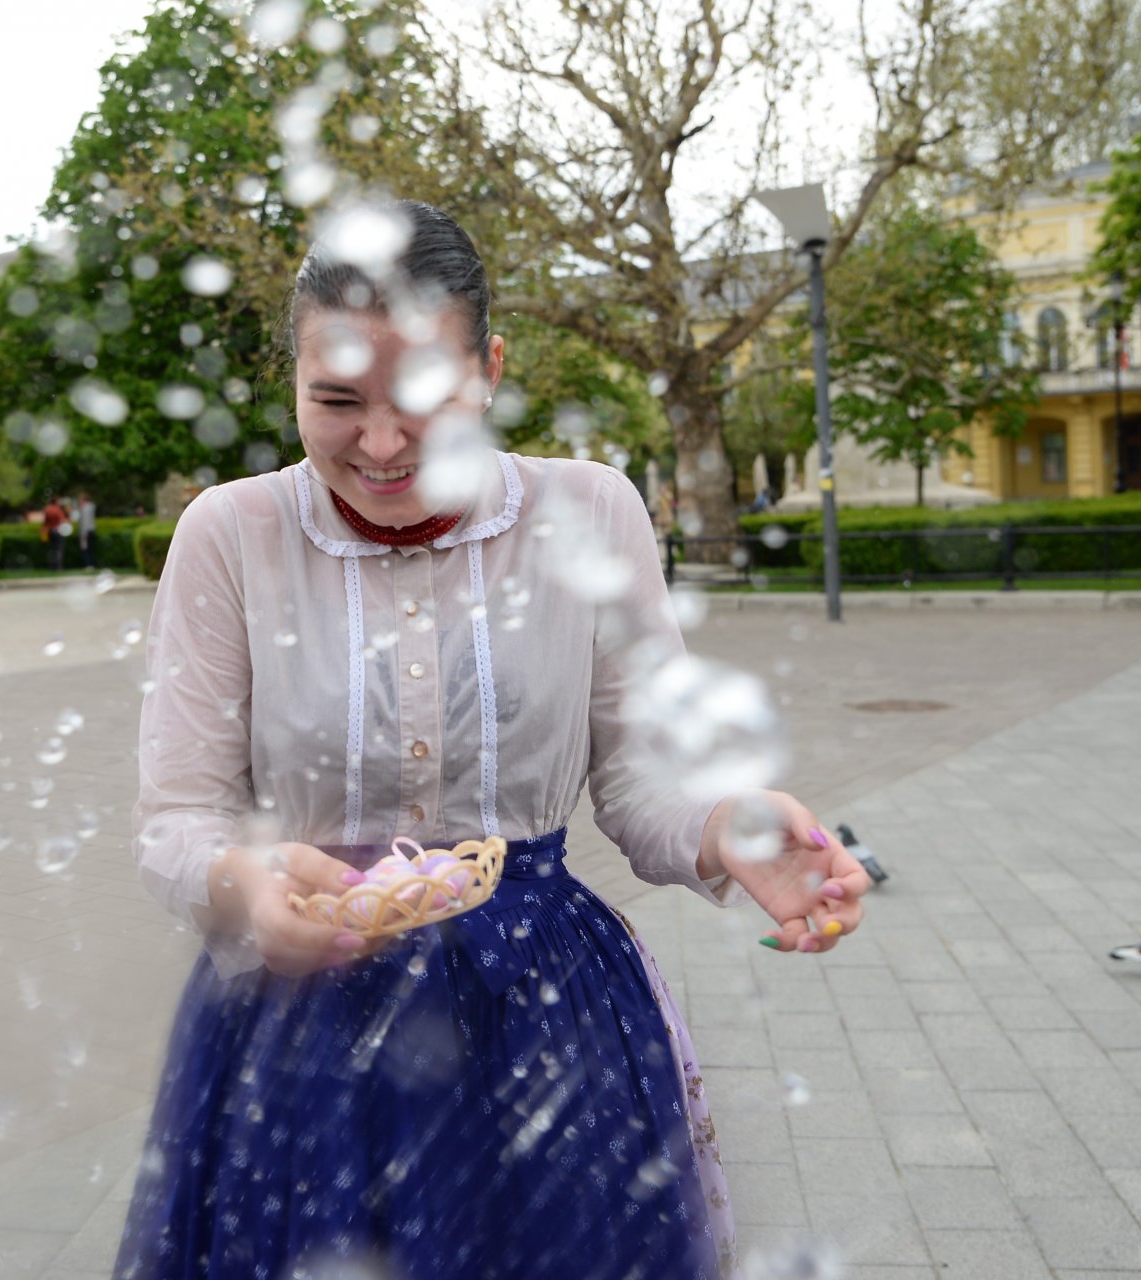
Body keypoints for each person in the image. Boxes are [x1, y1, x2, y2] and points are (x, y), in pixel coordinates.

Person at [115, 201, 871, 1279]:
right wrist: (237, 883)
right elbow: (175, 818)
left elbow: (638, 784)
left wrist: (727, 831)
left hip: (544, 1015)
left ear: (492, 366)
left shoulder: (591, 511)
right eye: (335, 401)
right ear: (289, 377)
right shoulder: (229, 536)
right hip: (299, 1036)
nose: (379, 446)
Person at [42, 495, 70, 572]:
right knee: (59, 549)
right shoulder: (58, 509)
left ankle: (51, 566)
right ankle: (58, 567)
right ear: (56, 501)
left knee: (51, 550)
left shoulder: (47, 509)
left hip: (50, 531)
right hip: (58, 531)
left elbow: (45, 522)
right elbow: (62, 520)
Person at [76, 491, 97, 569]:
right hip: (91, 530)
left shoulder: (85, 509)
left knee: (85, 549)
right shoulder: (91, 507)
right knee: (90, 549)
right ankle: (91, 564)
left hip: (85, 531)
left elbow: (85, 522)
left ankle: (88, 565)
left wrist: (83, 533)